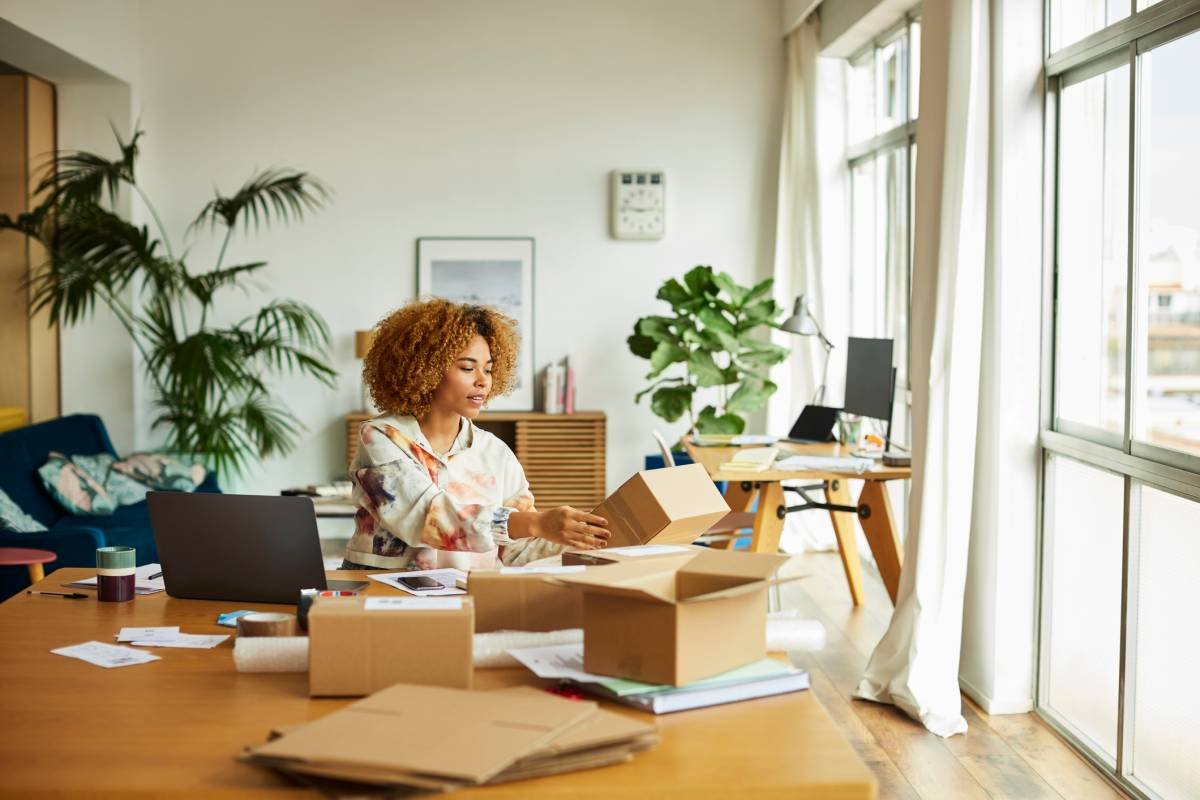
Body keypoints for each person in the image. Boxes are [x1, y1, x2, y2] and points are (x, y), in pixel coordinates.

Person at [341, 298, 610, 570]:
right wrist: (537, 522)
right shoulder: (382, 436)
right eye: (468, 368)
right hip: (383, 594)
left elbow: (516, 550)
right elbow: (426, 517)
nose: (483, 380)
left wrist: (583, 535)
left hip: (464, 596)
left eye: (489, 369)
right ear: (427, 369)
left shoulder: (496, 453)